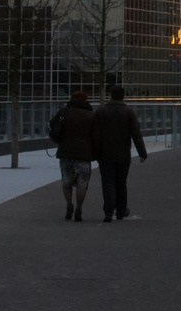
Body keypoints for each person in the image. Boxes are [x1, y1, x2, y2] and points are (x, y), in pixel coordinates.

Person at [91, 85, 147, 222]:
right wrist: (142, 153)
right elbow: (136, 134)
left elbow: (94, 134)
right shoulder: (129, 112)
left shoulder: (101, 112)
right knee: (121, 182)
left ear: (110, 95)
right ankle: (121, 210)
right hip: (123, 154)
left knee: (107, 182)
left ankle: (108, 211)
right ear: (123, 96)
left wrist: (95, 152)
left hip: (105, 154)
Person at [49, 90, 97, 221]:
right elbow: (96, 135)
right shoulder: (91, 116)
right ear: (86, 100)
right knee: (82, 183)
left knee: (67, 182)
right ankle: (79, 208)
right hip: (84, 154)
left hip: (66, 152)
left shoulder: (64, 112)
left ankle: (69, 205)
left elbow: (52, 125)